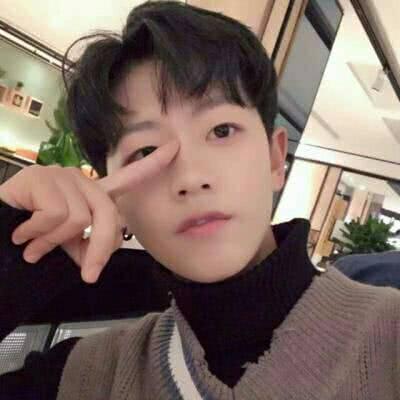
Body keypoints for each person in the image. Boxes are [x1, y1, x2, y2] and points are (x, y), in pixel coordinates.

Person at [0, 1, 399, 399]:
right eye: (145, 152)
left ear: (275, 159)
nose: (190, 178)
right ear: (115, 198)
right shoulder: (85, 377)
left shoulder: (389, 341)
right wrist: (8, 245)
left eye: (222, 131)